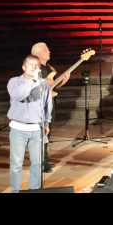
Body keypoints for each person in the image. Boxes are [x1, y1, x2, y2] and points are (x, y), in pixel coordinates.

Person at [7, 54, 53, 192]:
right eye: (31, 65)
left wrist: (47, 123)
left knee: (37, 164)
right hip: (18, 129)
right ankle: (15, 190)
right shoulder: (14, 82)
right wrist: (32, 81)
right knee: (16, 164)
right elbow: (18, 95)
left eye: (36, 65)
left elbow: (47, 104)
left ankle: (34, 190)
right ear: (24, 67)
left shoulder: (43, 84)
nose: (34, 67)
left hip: (36, 129)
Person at [31, 42, 70, 172]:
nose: (49, 52)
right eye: (46, 50)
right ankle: (40, 163)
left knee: (47, 133)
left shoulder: (49, 67)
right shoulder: (33, 67)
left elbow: (52, 86)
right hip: (38, 106)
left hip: (49, 104)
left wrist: (63, 81)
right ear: (39, 53)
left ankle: (45, 160)